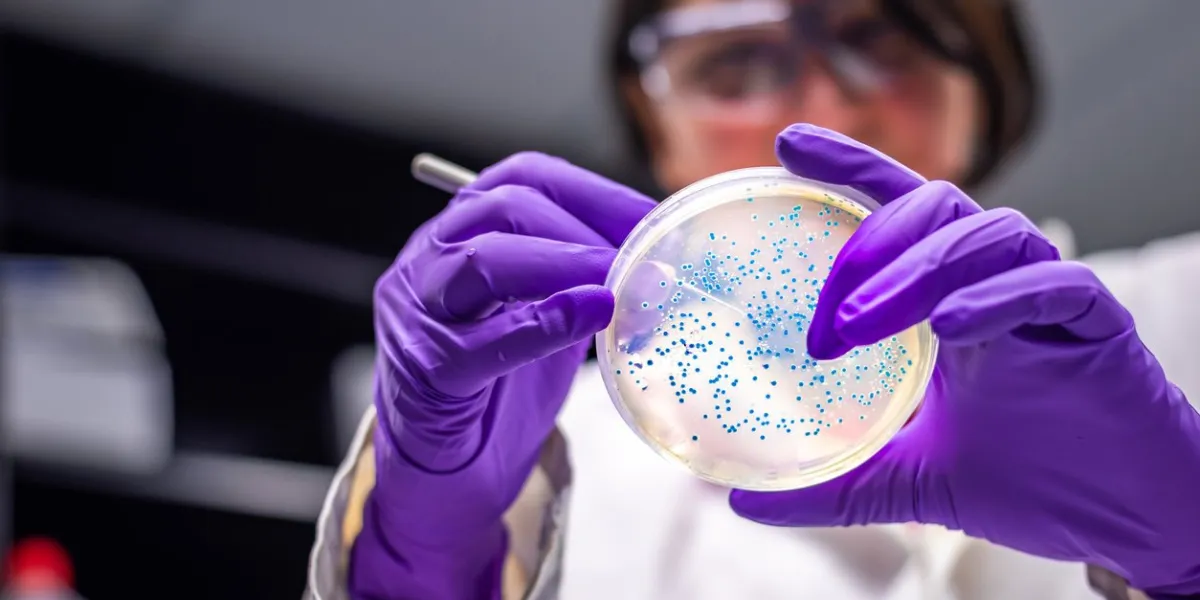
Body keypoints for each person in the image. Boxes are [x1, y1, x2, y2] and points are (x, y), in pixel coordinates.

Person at [304, 1, 1200, 599]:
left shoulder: (1185, 303)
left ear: (987, 88)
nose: (820, 100)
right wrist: (430, 551)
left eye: (881, 36)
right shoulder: (567, 438)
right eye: (736, 63)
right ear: (655, 125)